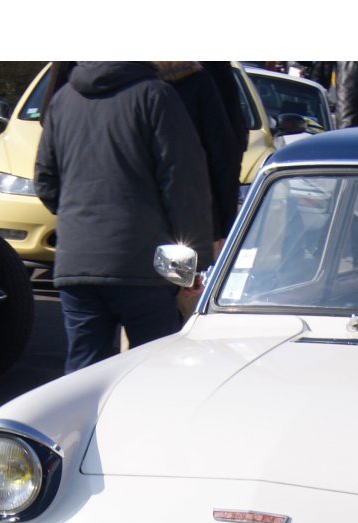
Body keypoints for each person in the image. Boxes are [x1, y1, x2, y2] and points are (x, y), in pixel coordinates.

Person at [34, 62, 213, 374]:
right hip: (143, 261)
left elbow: (45, 182)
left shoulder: (63, 99)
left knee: (82, 374)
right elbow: (183, 184)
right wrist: (194, 263)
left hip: (77, 259)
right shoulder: (155, 96)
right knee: (152, 371)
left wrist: (80, 219)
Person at [154, 61, 246, 251]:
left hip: (126, 222)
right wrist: (223, 228)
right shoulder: (203, 76)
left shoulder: (122, 83)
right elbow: (225, 155)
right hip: (193, 218)